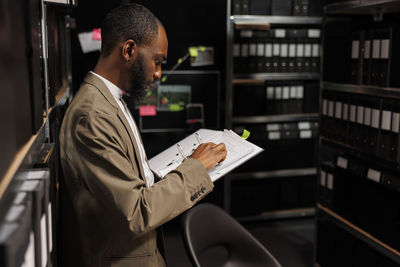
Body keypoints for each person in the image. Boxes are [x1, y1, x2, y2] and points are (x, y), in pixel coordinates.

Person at [58, 3, 227, 267]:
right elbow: (136, 213)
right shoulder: (92, 116)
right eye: (157, 61)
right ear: (129, 50)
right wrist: (196, 167)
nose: (159, 73)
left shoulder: (110, 100)